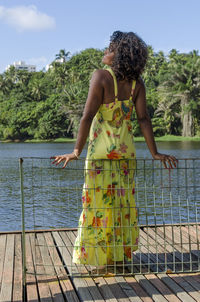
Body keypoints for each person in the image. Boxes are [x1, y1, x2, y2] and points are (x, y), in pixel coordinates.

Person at [51, 31, 177, 273]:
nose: (105, 52)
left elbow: (87, 116)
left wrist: (76, 151)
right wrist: (155, 153)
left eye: (109, 49)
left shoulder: (100, 77)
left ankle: (99, 259)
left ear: (119, 55)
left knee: (97, 206)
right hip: (125, 155)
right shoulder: (136, 85)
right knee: (121, 206)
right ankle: (118, 257)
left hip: (99, 155)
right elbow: (143, 119)